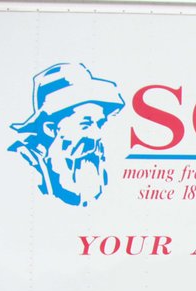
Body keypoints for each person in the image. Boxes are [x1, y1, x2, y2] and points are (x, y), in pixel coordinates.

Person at [8, 62, 125, 207]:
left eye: (99, 124)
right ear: (50, 129)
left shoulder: (97, 167)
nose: (96, 135)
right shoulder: (20, 168)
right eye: (86, 124)